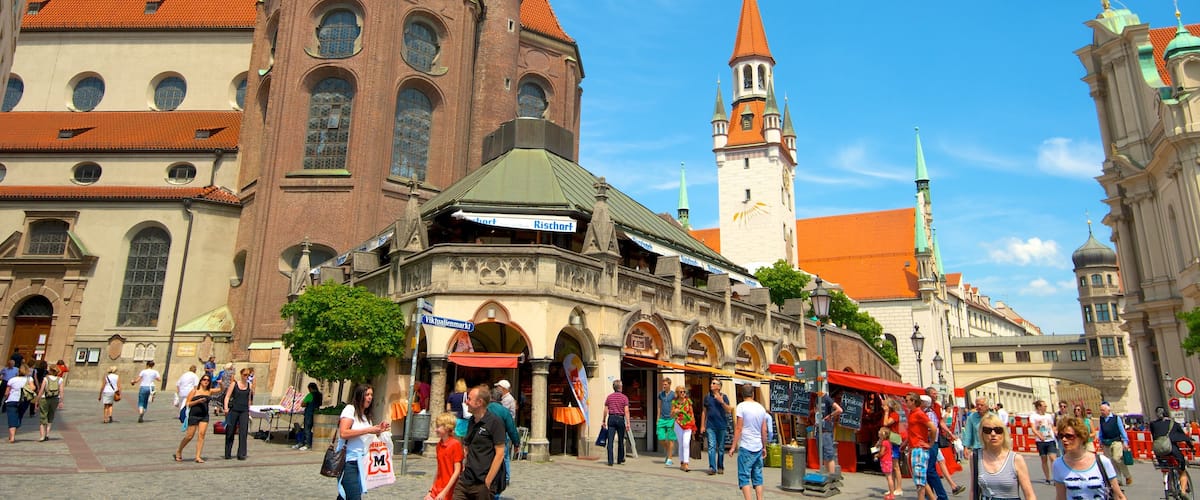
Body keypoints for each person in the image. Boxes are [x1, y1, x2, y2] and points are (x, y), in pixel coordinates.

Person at [337, 383, 389, 500]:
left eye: (371, 395)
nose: (370, 397)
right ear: (360, 395)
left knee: (345, 496)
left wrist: (378, 430)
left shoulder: (365, 416)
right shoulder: (350, 410)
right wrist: (368, 430)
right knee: (354, 497)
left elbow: (366, 437)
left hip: (361, 462)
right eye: (367, 394)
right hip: (348, 462)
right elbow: (343, 433)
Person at [1053, 416, 1126, 500]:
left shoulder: (1102, 462)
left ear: (1081, 437)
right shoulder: (1058, 464)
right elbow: (1061, 497)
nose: (1064, 439)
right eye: (1061, 436)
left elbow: (1119, 496)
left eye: (1069, 436)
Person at [456, 384, 505, 499]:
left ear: (479, 403)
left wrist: (488, 480)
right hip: (466, 479)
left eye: (469, 399)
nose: (466, 402)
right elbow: (467, 445)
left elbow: (500, 453)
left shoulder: (494, 422)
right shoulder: (472, 420)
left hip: (483, 481)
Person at [974, 412, 1037, 500]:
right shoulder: (976, 457)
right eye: (987, 430)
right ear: (982, 434)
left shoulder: (1016, 459)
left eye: (998, 430)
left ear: (1004, 433)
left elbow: (1029, 495)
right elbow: (973, 491)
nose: (993, 434)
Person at [728, 383, 768, 500]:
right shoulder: (761, 408)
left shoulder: (741, 407)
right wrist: (764, 446)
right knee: (758, 476)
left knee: (744, 476)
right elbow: (764, 429)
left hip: (746, 446)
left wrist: (733, 446)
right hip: (757, 446)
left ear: (742, 394)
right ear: (753, 394)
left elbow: (739, 428)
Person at [925, 387, 965, 495]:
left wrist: (950, 433)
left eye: (936, 393)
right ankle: (947, 489)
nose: (935, 395)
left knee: (938, 463)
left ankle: (951, 487)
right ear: (928, 395)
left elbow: (941, 422)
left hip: (936, 439)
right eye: (933, 393)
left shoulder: (937, 406)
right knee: (932, 468)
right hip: (930, 440)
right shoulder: (925, 407)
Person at [1151, 406, 1193, 494]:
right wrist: (1191, 448)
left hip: (1159, 451)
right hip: (1172, 450)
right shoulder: (1174, 424)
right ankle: (1183, 491)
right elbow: (1185, 437)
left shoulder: (1153, 424)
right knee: (1182, 470)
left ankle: (1166, 482)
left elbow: (1154, 437)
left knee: (1165, 467)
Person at [488, 386, 520, 496]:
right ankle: (502, 483)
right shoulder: (505, 412)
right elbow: (512, 429)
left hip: (485, 442)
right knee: (501, 463)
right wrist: (516, 443)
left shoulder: (484, 408)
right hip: (501, 441)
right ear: (501, 398)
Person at [175, 373, 213, 462]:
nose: (206, 381)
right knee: (189, 436)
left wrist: (221, 383)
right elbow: (188, 403)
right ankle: (179, 450)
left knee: (201, 435)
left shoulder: (209, 391)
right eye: (204, 380)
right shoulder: (194, 391)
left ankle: (198, 456)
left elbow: (221, 390)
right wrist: (198, 401)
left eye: (208, 380)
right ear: (201, 381)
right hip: (194, 415)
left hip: (204, 416)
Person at [919, 395, 950, 500]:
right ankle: (930, 495)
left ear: (925, 403)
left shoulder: (929, 414)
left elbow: (932, 430)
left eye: (920, 401)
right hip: (927, 443)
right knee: (928, 470)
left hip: (931, 443)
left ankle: (942, 496)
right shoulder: (922, 413)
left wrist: (929, 442)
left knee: (930, 470)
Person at [906, 393, 936, 500]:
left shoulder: (919, 413)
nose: (906, 402)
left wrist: (930, 443)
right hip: (914, 448)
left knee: (920, 483)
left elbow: (933, 428)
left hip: (919, 449)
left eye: (907, 400)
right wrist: (905, 443)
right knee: (920, 480)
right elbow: (912, 431)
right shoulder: (912, 413)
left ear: (913, 401)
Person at [427, 412, 463, 500]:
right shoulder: (439, 445)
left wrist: (444, 492)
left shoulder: (455, 444)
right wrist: (430, 491)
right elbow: (439, 469)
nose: (436, 430)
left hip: (450, 489)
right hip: (438, 487)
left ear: (447, 428)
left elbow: (457, 471)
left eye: (438, 427)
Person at [700, 379, 732, 475]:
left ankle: (720, 466)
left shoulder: (724, 397)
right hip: (710, 426)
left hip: (721, 425)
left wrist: (722, 402)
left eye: (714, 383)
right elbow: (704, 411)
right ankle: (712, 467)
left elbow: (729, 410)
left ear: (719, 386)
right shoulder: (707, 397)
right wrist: (702, 425)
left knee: (721, 448)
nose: (711, 385)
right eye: (711, 383)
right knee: (711, 446)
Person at [1096, 401, 1132, 486]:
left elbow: (1122, 430)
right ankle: (1118, 479)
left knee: (1117, 459)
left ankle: (1127, 475)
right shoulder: (1101, 419)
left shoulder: (1116, 418)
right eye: (1101, 410)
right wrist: (1100, 440)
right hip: (1106, 442)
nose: (1101, 412)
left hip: (1116, 441)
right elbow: (1101, 430)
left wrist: (1125, 442)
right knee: (1110, 461)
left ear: (1108, 410)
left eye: (1103, 410)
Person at [222, 367, 252, 460]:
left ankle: (242, 453)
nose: (246, 377)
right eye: (245, 375)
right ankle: (228, 453)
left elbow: (249, 399)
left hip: (244, 411)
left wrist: (249, 410)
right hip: (234, 410)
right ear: (241, 374)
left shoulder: (249, 385)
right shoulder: (234, 384)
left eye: (248, 375)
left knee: (243, 432)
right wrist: (226, 408)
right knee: (230, 431)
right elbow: (227, 397)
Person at [601, 379, 631, 467]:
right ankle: (619, 459)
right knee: (621, 440)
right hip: (620, 419)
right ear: (620, 387)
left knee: (610, 440)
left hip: (612, 418)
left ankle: (610, 461)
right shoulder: (624, 398)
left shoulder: (609, 397)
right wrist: (628, 423)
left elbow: (605, 410)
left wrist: (603, 420)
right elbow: (626, 411)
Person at [1030, 400, 1058, 485]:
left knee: (1053, 459)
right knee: (1044, 459)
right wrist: (1039, 435)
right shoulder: (1033, 416)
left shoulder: (1049, 416)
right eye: (1044, 406)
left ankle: (1056, 478)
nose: (1046, 407)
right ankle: (1047, 478)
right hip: (1040, 441)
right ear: (1039, 407)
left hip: (1050, 439)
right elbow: (1033, 428)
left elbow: (1052, 426)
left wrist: (1055, 432)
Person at [883, 398, 905, 497]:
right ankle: (892, 488)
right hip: (888, 441)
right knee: (890, 466)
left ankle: (899, 488)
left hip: (894, 440)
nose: (883, 407)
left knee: (895, 466)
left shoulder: (894, 415)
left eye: (885, 405)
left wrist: (887, 412)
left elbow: (886, 423)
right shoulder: (890, 414)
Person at [818, 390, 844, 475]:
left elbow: (839, 410)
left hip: (826, 431)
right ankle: (826, 475)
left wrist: (830, 415)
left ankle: (832, 476)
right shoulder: (817, 399)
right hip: (819, 430)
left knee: (828, 455)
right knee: (824, 456)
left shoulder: (826, 398)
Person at [671, 384, 696, 472]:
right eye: (681, 392)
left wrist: (694, 426)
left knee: (686, 443)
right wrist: (675, 411)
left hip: (688, 424)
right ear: (677, 393)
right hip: (678, 424)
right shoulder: (675, 402)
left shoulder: (688, 401)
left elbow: (692, 414)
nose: (683, 393)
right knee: (681, 443)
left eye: (684, 392)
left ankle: (686, 463)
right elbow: (671, 414)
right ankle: (682, 462)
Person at [36, 365, 63, 442]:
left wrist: (37, 400)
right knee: (50, 416)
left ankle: (42, 436)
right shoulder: (60, 379)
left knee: (43, 416)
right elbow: (61, 391)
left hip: (45, 398)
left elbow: (41, 390)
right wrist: (61, 401)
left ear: (50, 371)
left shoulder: (45, 379)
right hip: (55, 399)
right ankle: (47, 434)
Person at [4, 364, 29, 442]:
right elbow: (33, 388)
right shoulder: (29, 379)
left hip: (12, 400)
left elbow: (6, 392)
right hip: (24, 401)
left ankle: (12, 437)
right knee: (19, 417)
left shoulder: (12, 379)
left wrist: (6, 398)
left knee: (12, 418)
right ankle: (13, 434)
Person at [294, 382, 323, 451]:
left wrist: (306, 404)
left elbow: (303, 404)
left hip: (309, 413)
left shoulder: (310, 395)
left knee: (307, 429)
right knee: (311, 429)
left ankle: (307, 444)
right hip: (316, 413)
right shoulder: (320, 395)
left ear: (310, 388)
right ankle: (304, 443)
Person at [656, 377, 676, 467]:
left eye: (665, 384)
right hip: (662, 419)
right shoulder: (661, 394)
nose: (664, 386)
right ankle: (669, 450)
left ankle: (670, 458)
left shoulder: (673, 395)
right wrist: (658, 418)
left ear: (669, 384)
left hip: (671, 419)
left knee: (670, 439)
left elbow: (675, 405)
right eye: (663, 384)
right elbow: (659, 406)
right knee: (661, 438)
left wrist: (674, 415)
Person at [875, 428, 896, 500]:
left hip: (885, 461)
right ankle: (891, 493)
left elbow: (882, 453)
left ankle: (892, 494)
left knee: (889, 478)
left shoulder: (884, 443)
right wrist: (879, 440)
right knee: (889, 477)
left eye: (879, 431)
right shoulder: (887, 442)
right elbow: (876, 446)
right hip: (888, 461)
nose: (878, 432)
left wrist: (877, 455)